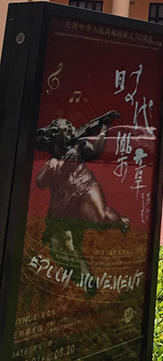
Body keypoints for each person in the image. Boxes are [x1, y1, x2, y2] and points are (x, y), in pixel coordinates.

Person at [35, 111, 130, 290]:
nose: (72, 133)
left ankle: (119, 219)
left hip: (85, 188)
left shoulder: (78, 147)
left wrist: (103, 127)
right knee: (63, 249)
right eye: (67, 130)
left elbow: (96, 150)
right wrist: (52, 165)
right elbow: (40, 182)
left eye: (72, 129)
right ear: (56, 135)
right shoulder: (53, 161)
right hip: (62, 206)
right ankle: (87, 281)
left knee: (100, 217)